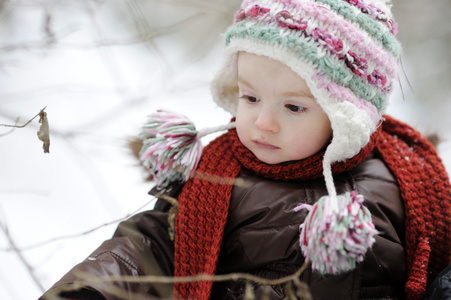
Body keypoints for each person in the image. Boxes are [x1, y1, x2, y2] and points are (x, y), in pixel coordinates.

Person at [41, 0, 451, 299]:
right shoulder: (218, 176)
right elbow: (148, 246)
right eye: (250, 98)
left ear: (347, 116)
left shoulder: (406, 183)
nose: (262, 123)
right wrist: (89, 291)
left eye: (293, 107)